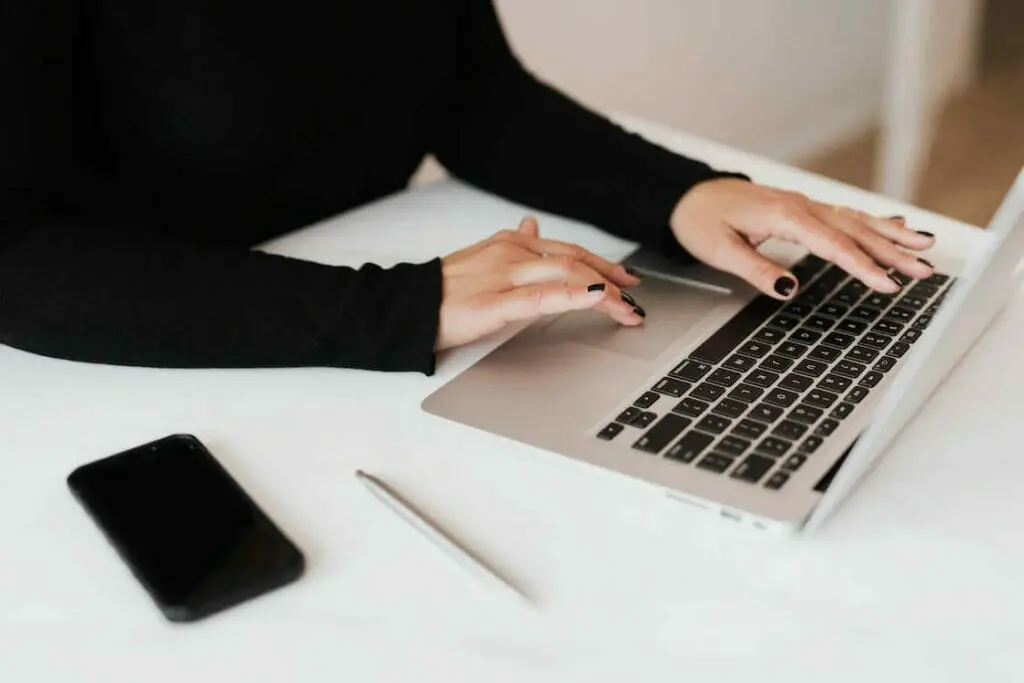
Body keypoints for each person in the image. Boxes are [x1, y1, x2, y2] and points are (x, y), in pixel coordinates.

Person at [0, 1, 935, 375]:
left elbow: (471, 96)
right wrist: (401, 306)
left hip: (340, 332)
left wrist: (685, 197)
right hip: (130, 361)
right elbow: (16, 260)